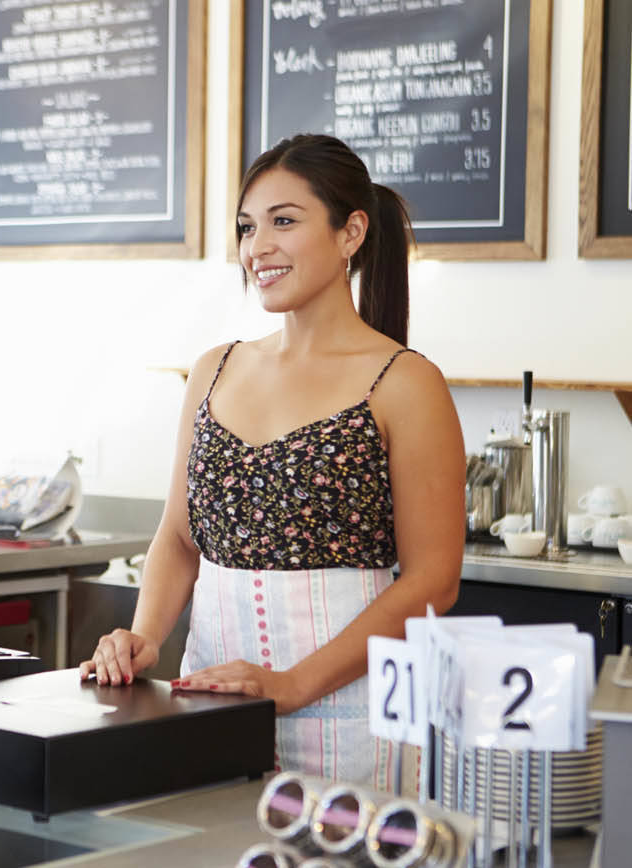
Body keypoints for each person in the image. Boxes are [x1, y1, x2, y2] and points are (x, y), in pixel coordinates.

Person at [78, 134, 464, 789]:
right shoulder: (214, 369)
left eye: (284, 221)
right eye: (247, 227)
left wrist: (289, 686)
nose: (258, 247)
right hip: (209, 707)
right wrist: (145, 636)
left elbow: (433, 581)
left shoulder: (404, 382)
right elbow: (178, 537)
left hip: (350, 721)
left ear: (351, 233)